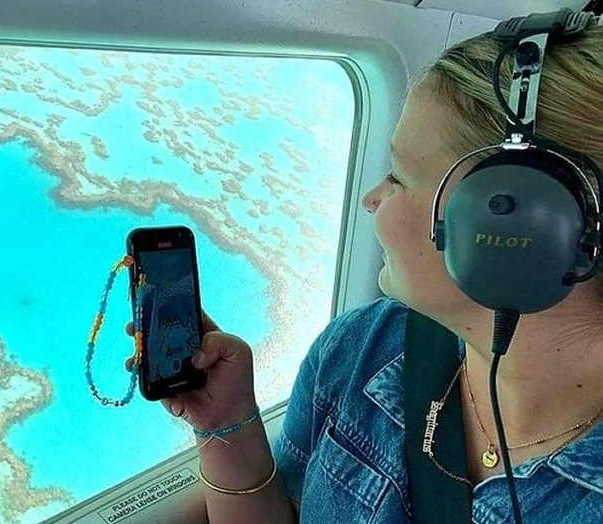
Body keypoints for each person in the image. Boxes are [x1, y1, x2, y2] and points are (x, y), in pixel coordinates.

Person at [128, 15, 603, 523]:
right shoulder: (362, 347)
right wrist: (225, 424)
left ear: (522, 227)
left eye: (398, 177)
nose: (371, 198)